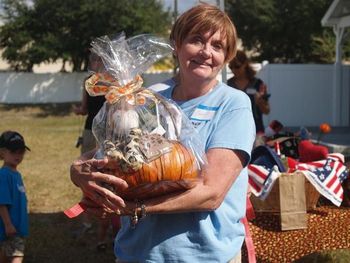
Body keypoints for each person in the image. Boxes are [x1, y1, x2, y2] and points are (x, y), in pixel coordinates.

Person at [70, 4, 255, 262]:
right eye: (196, 40)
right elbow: (118, 152)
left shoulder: (233, 104)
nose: (206, 52)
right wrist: (78, 170)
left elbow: (210, 193)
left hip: (204, 255)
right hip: (138, 253)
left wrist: (136, 208)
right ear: (176, 45)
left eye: (217, 46)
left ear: (227, 56)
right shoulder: (149, 97)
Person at [73, 77, 120, 251]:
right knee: (109, 179)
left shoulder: (89, 81)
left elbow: (84, 109)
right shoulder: (118, 82)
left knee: (91, 175)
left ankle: (87, 219)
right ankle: (106, 224)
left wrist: (78, 110)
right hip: (112, 133)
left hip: (91, 130)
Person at [0, 131, 30, 263]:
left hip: (16, 227)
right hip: (11, 228)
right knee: (17, 256)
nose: (18, 155)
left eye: (21, 151)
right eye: (13, 152)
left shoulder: (16, 174)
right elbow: (1, 203)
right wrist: (8, 225)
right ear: (2, 152)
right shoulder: (4, 175)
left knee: (6, 255)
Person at [227, 50, 270, 135]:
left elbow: (267, 111)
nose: (234, 70)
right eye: (231, 67)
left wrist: (260, 102)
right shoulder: (229, 84)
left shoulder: (258, 84)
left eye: (237, 66)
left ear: (245, 64)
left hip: (256, 130)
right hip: (234, 131)